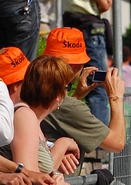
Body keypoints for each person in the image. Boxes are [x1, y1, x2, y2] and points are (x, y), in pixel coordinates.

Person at [0, 51, 76, 185]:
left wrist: (56, 178)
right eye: (67, 87)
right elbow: (28, 178)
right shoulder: (25, 116)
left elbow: (37, 170)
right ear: (58, 94)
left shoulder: (32, 118)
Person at [40, 28, 126, 160]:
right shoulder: (70, 107)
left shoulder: (38, 92)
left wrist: (76, 95)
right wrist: (116, 98)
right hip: (60, 179)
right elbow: (117, 144)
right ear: (76, 66)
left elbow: (61, 115)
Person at [61, 0, 113, 125]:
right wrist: (105, 1)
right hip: (91, 32)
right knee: (97, 84)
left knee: (74, 83)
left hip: (72, 31)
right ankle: (100, 142)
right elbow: (102, 4)